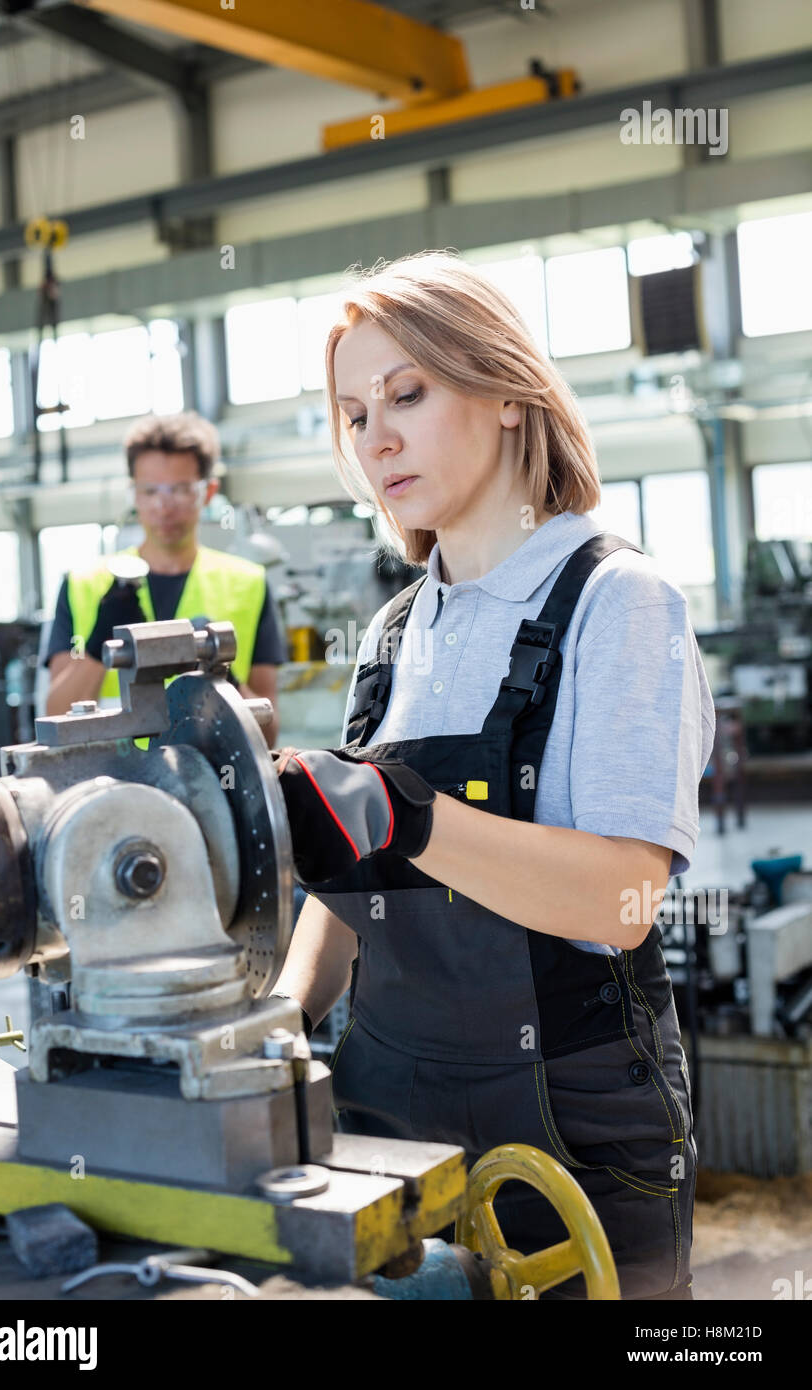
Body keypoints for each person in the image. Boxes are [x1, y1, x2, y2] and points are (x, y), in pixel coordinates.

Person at [270, 251, 716, 1300]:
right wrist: (277, 1031)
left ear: (507, 393)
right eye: (350, 412)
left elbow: (618, 901)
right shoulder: (392, 632)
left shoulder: (616, 601)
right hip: (383, 1102)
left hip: (563, 1123)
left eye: (406, 394)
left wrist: (410, 818)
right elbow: (351, 889)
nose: (373, 436)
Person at [43, 411, 286, 747]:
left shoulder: (249, 584)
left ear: (209, 492)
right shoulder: (83, 584)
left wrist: (224, 678)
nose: (164, 506)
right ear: (133, 493)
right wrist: (100, 647)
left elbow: (268, 734)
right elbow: (56, 717)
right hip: (111, 785)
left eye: (181, 490)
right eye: (150, 490)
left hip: (213, 786)